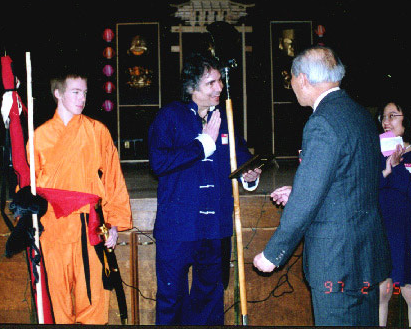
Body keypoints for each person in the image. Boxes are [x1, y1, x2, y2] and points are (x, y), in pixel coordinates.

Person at [253, 45, 391, 326]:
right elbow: (354, 179)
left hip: (336, 261)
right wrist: (301, 190)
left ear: (303, 79)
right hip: (365, 254)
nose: (291, 86)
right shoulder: (360, 114)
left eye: (290, 79)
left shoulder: (321, 122)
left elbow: (306, 203)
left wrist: (272, 254)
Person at [148, 52, 261, 325]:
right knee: (171, 300)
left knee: (209, 301)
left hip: (215, 231)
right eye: (211, 83)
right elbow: (159, 162)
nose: (219, 88)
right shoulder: (169, 117)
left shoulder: (225, 118)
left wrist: (249, 173)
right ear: (191, 88)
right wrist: (201, 145)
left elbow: (241, 156)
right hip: (178, 228)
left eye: (219, 81)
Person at [30, 69, 132, 324]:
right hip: (52, 228)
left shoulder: (97, 131)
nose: (82, 98)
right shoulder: (40, 136)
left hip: (90, 226)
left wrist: (114, 224)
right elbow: (29, 185)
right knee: (58, 299)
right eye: (75, 92)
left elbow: (113, 178)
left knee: (94, 297)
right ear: (58, 94)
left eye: (84, 93)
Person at [377, 100, 411, 326]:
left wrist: (398, 167)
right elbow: (368, 187)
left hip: (407, 232)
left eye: (393, 116)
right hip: (383, 230)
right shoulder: (375, 153)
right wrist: (386, 169)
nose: (386, 122)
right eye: (383, 117)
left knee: (409, 291)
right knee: (381, 292)